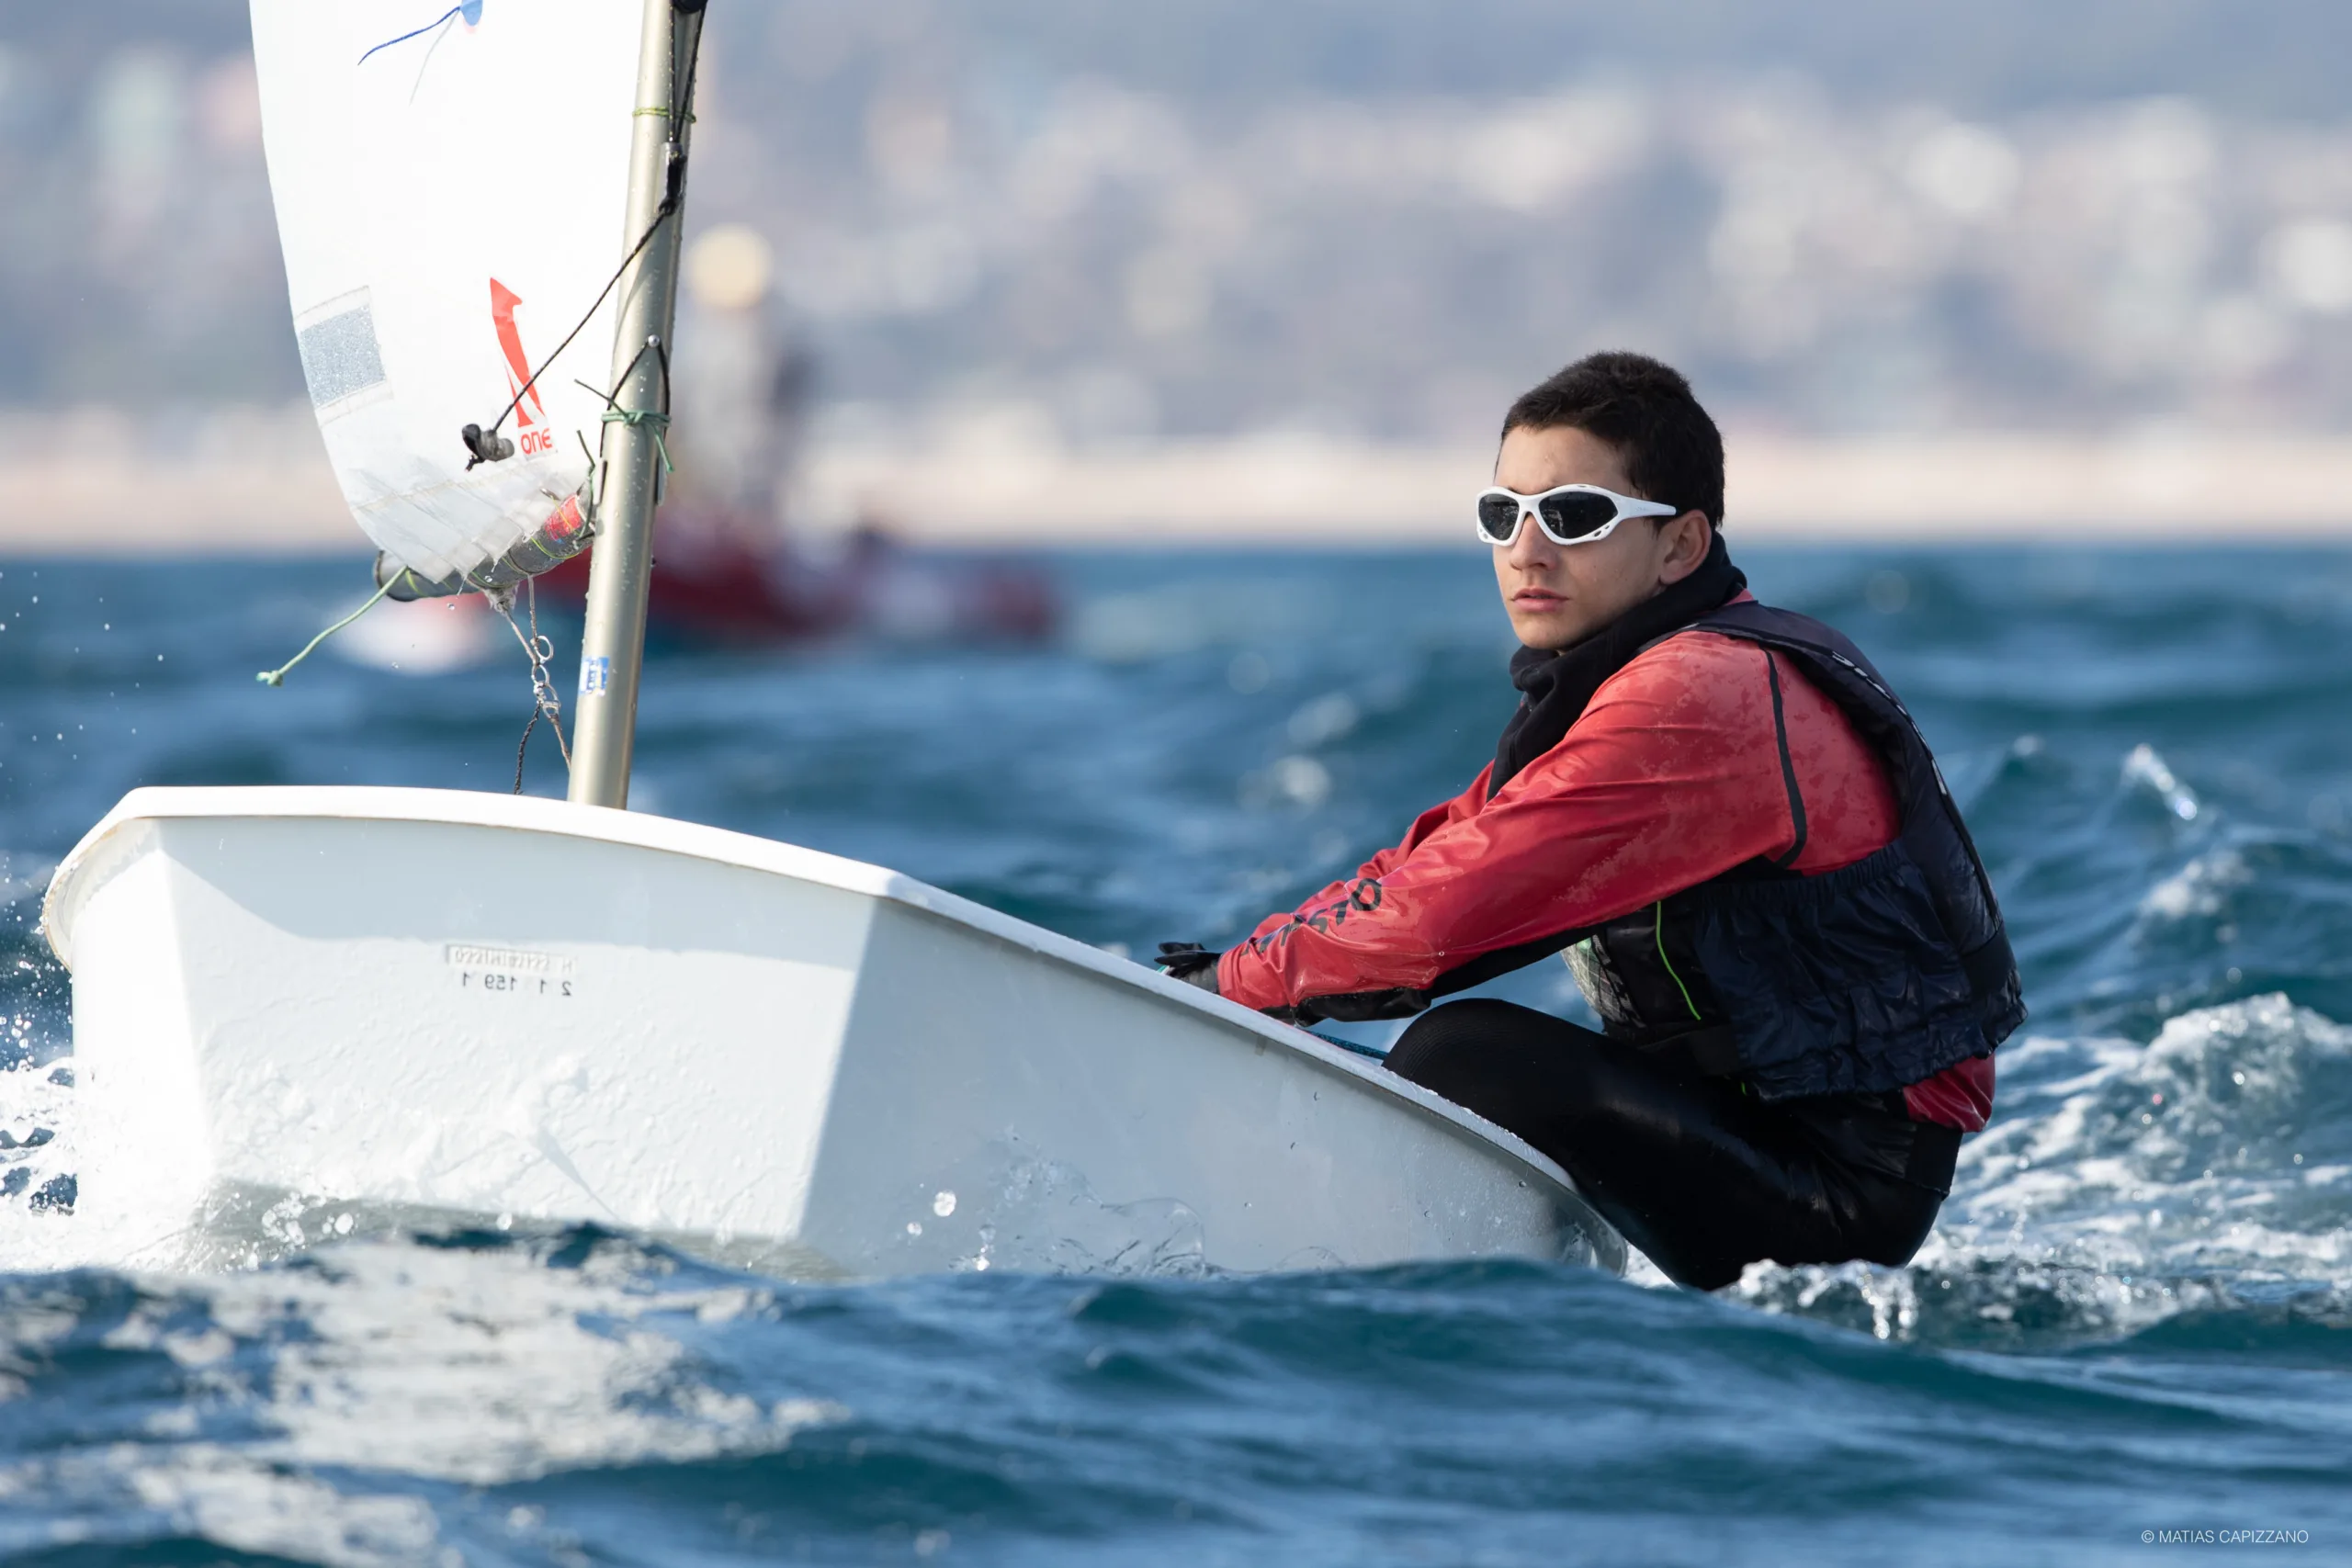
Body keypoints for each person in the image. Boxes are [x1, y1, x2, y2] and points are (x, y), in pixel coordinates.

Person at [1157, 352, 2023, 1290]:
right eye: (1503, 515)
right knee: (1391, 1052)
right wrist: (1232, 974)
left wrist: (1230, 987)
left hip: (1837, 1189)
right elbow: (1438, 858)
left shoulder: (1704, 696)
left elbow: (1440, 924)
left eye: (1574, 517)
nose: (1527, 550)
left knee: (1467, 1058)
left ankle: (1334, 1308)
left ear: (1681, 548)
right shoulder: (1632, 680)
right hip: (1739, 1125)